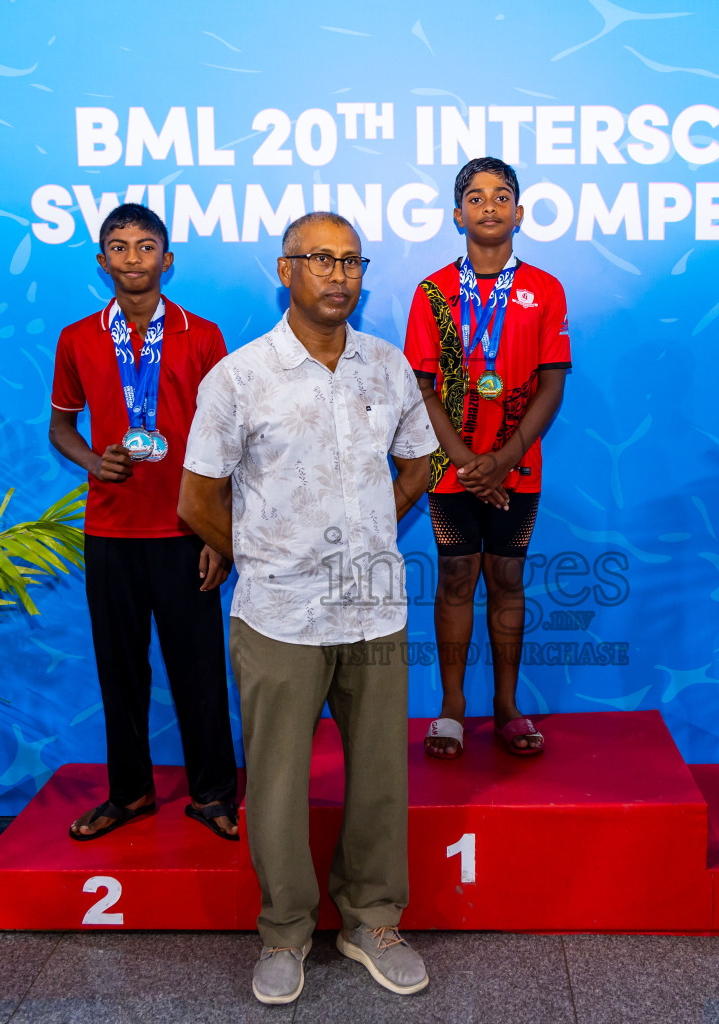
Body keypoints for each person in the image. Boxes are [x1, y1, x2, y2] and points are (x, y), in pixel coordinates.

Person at [178, 212, 438, 1005]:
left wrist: (372, 524)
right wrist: (264, 552)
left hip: (374, 609)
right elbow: (195, 499)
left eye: (351, 261)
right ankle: (286, 933)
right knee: (282, 781)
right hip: (279, 615)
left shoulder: (386, 368)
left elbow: (421, 459)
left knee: (380, 779)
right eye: (319, 259)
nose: (338, 274)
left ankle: (371, 921)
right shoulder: (240, 376)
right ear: (284, 271)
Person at [48, 203, 240, 842]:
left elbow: (229, 438)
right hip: (110, 533)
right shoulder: (76, 338)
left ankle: (214, 794)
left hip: (186, 531)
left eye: (146, 245)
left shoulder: (203, 335)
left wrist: (221, 531)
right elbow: (61, 429)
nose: (134, 258)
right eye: (120, 247)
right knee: (119, 672)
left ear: (168, 259)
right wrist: (92, 463)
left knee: (200, 674)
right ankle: (128, 793)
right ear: (102, 262)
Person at [403, 156, 571, 760]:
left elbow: (552, 385)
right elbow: (421, 388)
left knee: (505, 579)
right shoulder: (432, 293)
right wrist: (469, 462)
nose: (490, 205)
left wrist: (504, 458)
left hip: (517, 467)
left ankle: (506, 705)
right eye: (476, 197)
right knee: (453, 579)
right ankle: (451, 708)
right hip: (452, 467)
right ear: (457, 215)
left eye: (502, 196)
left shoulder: (545, 289)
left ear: (520, 213)